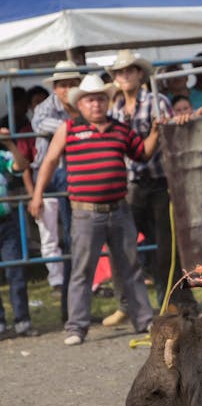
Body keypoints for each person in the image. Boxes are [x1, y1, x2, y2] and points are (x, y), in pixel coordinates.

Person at [29, 74, 158, 346]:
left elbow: (142, 153)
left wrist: (156, 132)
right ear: (81, 103)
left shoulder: (120, 129)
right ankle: (76, 326)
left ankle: (144, 319)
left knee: (130, 267)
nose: (96, 104)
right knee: (82, 270)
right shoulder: (69, 128)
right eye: (90, 100)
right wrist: (37, 194)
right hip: (86, 211)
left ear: (106, 101)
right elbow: (49, 161)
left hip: (119, 208)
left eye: (100, 99)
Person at [108, 49, 194, 319]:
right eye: (120, 72)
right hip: (131, 183)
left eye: (129, 71)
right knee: (122, 246)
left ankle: (174, 301)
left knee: (166, 249)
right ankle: (129, 304)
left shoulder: (157, 101)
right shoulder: (115, 108)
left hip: (159, 180)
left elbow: (169, 137)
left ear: (139, 74)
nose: (125, 76)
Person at [31, 60, 82, 297]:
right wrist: (76, 126)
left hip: (73, 173)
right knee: (49, 231)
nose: (67, 89)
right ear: (55, 87)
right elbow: (41, 123)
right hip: (48, 174)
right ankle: (57, 282)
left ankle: (81, 280)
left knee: (75, 230)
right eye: (63, 85)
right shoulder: (44, 107)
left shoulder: (83, 105)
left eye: (73, 84)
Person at [0, 127, 38, 339]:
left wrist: (10, 144)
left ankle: (22, 320)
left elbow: (21, 166)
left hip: (6, 221)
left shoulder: (1, 156)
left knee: (15, 271)